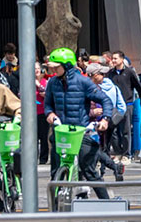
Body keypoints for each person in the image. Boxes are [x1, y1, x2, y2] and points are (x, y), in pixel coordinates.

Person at [43, 49, 114, 187]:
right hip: (60, 132)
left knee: (89, 172)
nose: (53, 69)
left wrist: (105, 119)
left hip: (80, 133)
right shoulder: (52, 82)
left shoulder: (83, 82)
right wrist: (49, 114)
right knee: (55, 174)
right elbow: (47, 105)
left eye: (56, 67)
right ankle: (55, 206)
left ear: (67, 65)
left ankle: (106, 202)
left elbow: (105, 100)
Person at [88, 63, 128, 179]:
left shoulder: (98, 89)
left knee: (96, 148)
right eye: (101, 74)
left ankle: (100, 172)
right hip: (98, 122)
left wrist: (102, 116)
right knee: (99, 148)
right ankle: (112, 168)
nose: (104, 76)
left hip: (97, 123)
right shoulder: (89, 88)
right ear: (94, 75)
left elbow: (107, 103)